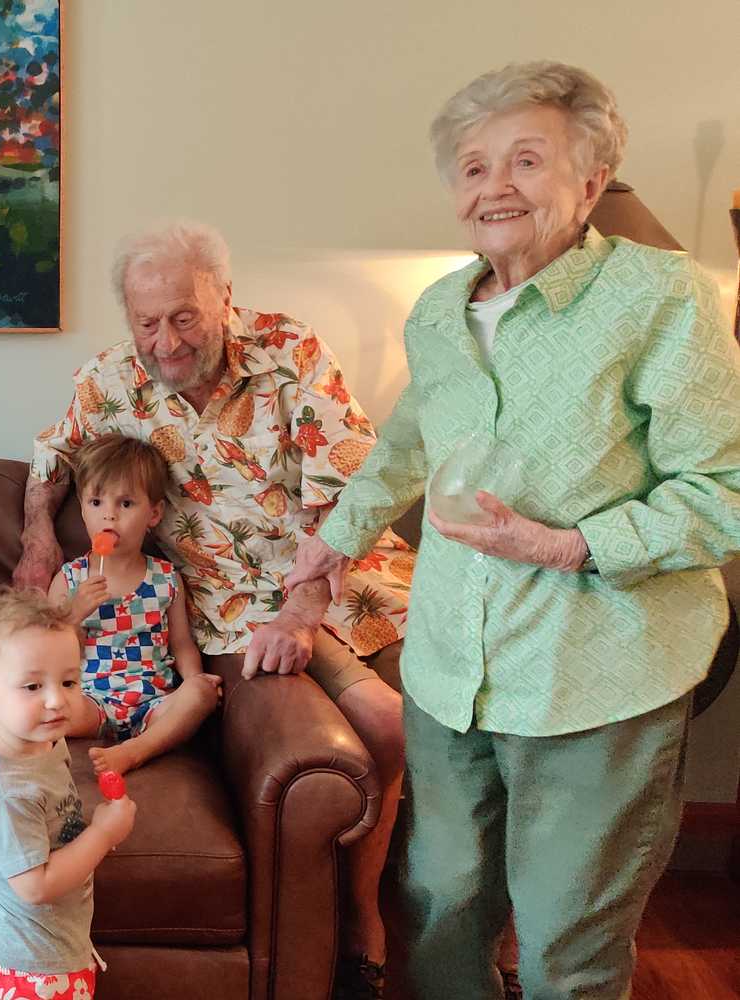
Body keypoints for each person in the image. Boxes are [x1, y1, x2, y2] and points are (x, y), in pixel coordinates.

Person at [289, 61, 740, 1000]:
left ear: (589, 177)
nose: (493, 186)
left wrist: (572, 546)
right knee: (439, 905)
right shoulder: (440, 312)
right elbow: (411, 437)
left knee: (567, 933)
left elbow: (723, 491)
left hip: (599, 671)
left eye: (525, 160)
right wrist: (334, 540)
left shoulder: (663, 298)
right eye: (472, 166)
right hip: (453, 669)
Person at [15, 220, 411, 995]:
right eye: (147, 321)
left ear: (225, 298)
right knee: (387, 723)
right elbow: (50, 458)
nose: (164, 342)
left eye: (184, 316)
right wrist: (36, 539)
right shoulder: (109, 381)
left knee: (461, 719)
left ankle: (478, 927)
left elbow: (352, 479)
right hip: (233, 609)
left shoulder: (290, 352)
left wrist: (302, 606)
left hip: (349, 576)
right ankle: (366, 914)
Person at [0, 587, 135, 999]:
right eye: (31, 686)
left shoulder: (33, 737)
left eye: (68, 681)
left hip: (32, 948)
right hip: (32, 971)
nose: (55, 701)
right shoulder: (5, 792)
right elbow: (34, 888)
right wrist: (102, 835)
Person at [47, 435, 219, 775]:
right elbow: (48, 653)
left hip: (153, 701)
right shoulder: (69, 579)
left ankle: (135, 750)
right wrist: (74, 615)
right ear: (82, 508)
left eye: (125, 504)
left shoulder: (166, 578)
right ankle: (136, 744)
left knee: (202, 693)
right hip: (91, 701)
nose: (109, 516)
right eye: (96, 502)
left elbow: (182, 645)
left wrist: (195, 679)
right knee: (44, 707)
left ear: (153, 514)